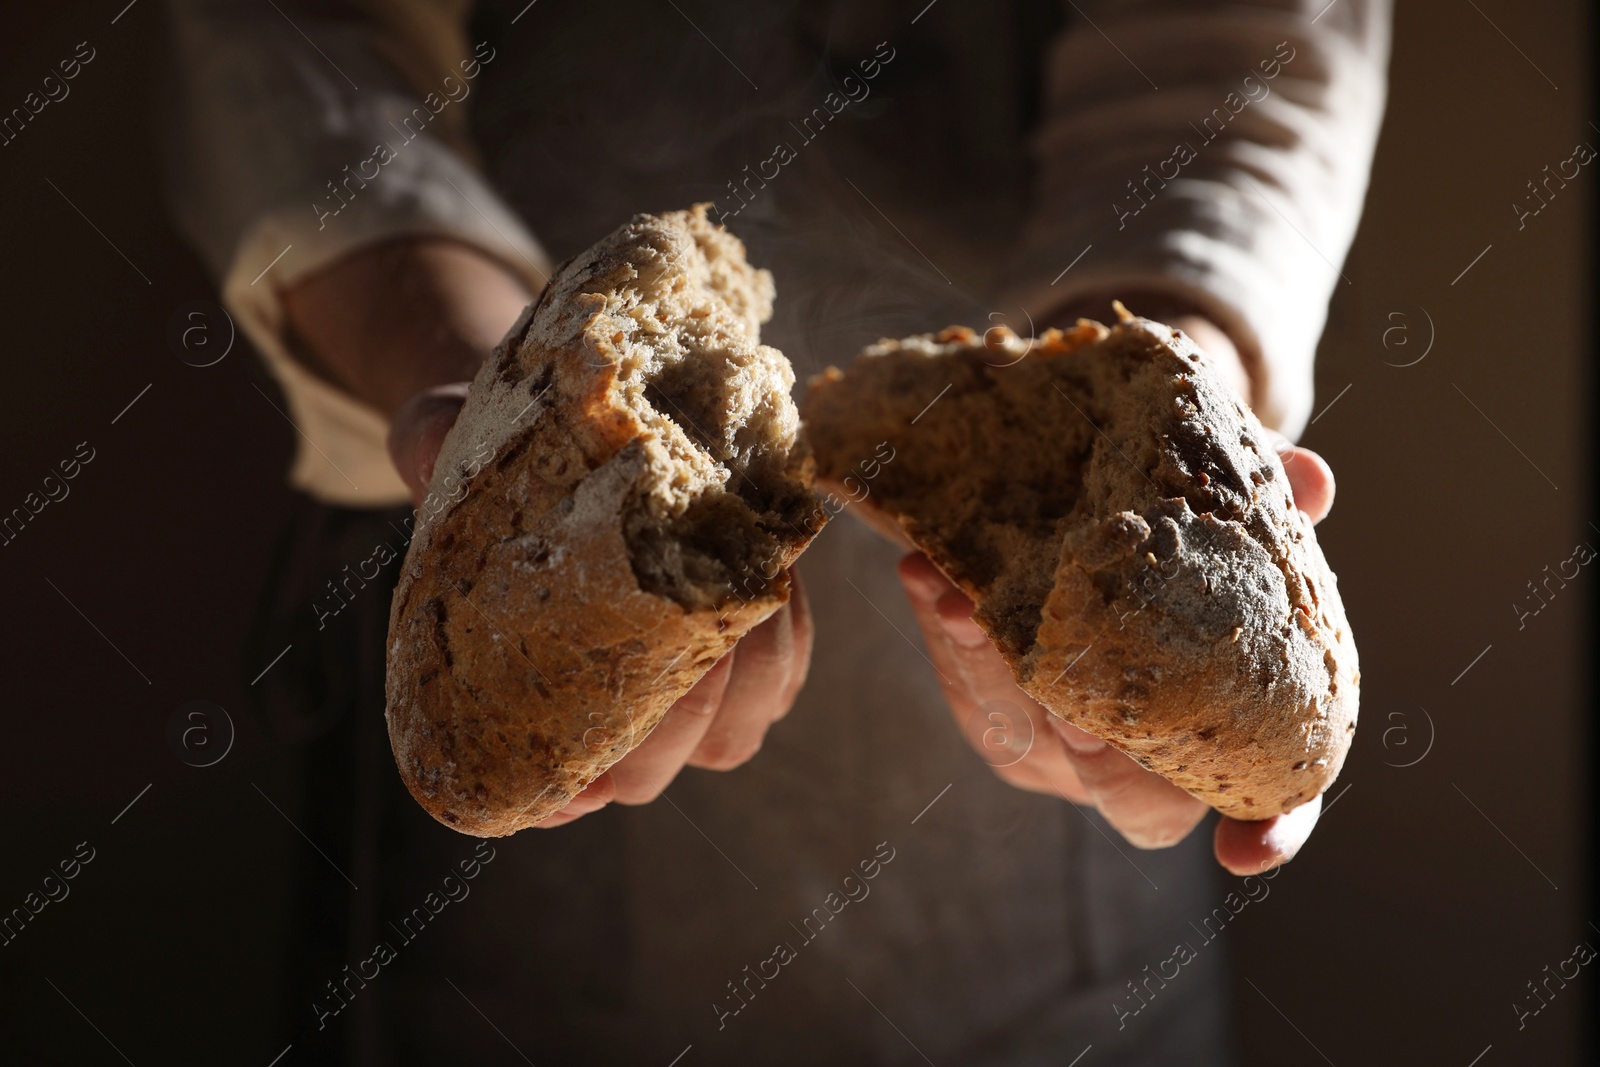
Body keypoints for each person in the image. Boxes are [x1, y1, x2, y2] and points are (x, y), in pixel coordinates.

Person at [165, 0, 1389, 1062]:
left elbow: (1245, 31)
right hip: (508, 914)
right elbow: (291, 33)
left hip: (1064, 899)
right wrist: (500, 408)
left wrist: (1179, 393)